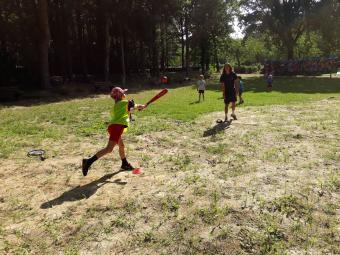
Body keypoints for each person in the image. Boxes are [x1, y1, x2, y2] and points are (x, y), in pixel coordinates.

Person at [82, 87, 145, 176]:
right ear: (120, 95)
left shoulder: (117, 105)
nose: (125, 94)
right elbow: (133, 105)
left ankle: (124, 163)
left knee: (121, 146)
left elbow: (129, 109)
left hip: (114, 127)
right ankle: (88, 161)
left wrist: (137, 108)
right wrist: (141, 106)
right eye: (123, 93)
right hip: (117, 127)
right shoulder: (124, 102)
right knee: (109, 149)